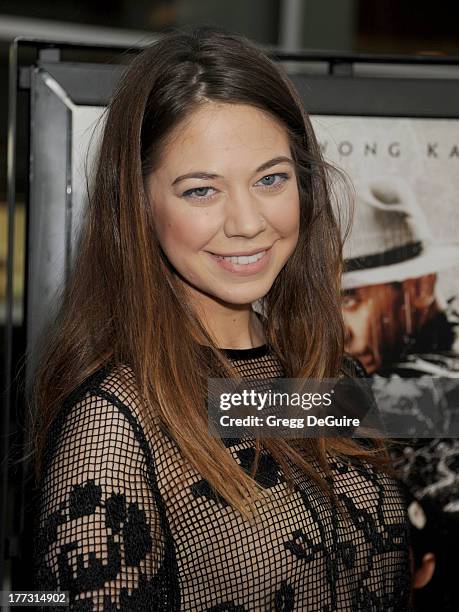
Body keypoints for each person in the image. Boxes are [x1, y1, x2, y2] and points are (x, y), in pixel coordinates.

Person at [29, 27, 411, 610]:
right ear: (138, 203)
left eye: (270, 179)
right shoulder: (112, 428)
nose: (247, 221)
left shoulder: (330, 375)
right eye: (202, 190)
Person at [341, 176, 459, 610]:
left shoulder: (439, 386)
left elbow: (253, 410)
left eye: (351, 299)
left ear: (420, 287)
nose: (335, 325)